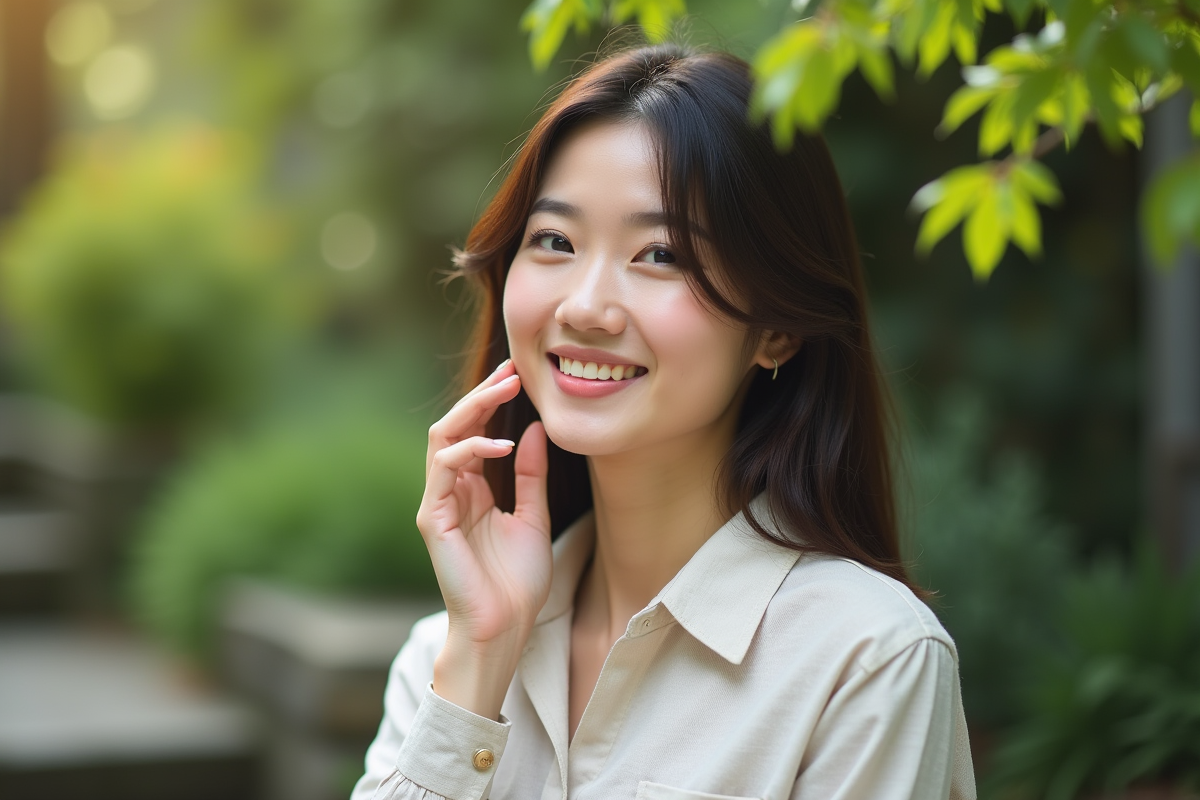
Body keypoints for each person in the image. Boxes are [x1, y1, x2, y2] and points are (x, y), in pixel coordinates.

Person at [351, 42, 976, 800]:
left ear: (778, 330)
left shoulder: (865, 661)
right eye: (555, 241)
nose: (586, 306)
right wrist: (479, 664)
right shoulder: (442, 660)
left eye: (660, 254)